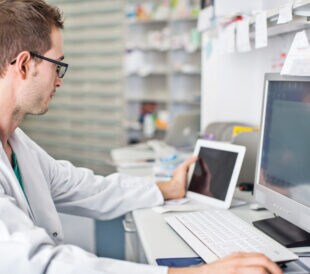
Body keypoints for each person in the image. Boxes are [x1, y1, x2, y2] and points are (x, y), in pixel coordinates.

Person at [0, 1, 282, 273]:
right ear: (24, 65)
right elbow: (37, 265)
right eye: (57, 65)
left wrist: (168, 189)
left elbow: (86, 188)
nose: (60, 80)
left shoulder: (18, 143)